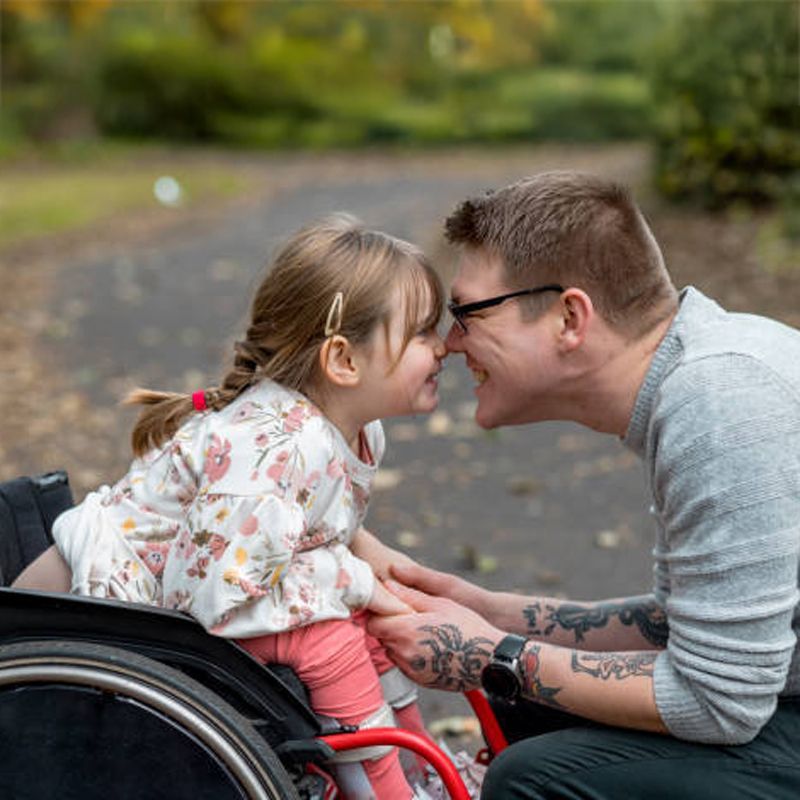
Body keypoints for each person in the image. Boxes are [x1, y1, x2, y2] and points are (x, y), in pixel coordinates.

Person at [369, 171, 800, 799]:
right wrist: (489, 612)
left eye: (467, 313)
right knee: (529, 703)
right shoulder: (699, 374)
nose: (451, 343)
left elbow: (719, 703)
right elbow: (681, 627)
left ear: (569, 317)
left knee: (530, 779)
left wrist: (492, 654)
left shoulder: (719, 406)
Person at [14, 213, 447, 799]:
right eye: (422, 333)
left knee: (371, 620)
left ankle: (420, 770)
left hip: (189, 589)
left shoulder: (352, 430)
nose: (443, 347)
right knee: (331, 639)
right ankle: (385, 789)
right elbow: (218, 596)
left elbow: (311, 522)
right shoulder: (280, 448)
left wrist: (376, 563)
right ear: (344, 361)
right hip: (100, 607)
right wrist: (354, 579)